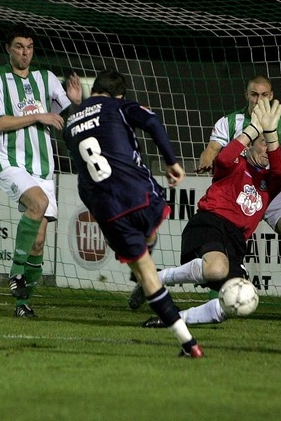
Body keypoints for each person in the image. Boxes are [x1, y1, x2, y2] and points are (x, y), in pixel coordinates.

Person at [64, 69, 202, 356]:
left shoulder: (70, 122)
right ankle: (148, 242)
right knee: (152, 224)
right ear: (120, 95)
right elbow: (151, 120)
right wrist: (171, 161)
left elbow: (84, 171)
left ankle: (189, 345)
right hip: (138, 195)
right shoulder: (118, 105)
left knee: (146, 276)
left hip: (107, 209)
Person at [139, 95, 281, 329]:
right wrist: (253, 129)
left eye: (270, 146)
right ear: (250, 145)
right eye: (262, 143)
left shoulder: (271, 182)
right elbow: (225, 156)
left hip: (236, 240)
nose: (267, 150)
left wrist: (271, 135)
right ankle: (158, 279)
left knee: (239, 300)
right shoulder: (235, 164)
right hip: (210, 223)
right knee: (217, 269)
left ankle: (175, 319)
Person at [192, 74, 281, 315]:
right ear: (246, 96)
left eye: (265, 94)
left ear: (272, 96)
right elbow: (213, 148)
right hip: (238, 190)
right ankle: (210, 298)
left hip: (271, 189)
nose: (259, 99)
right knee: (222, 243)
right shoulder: (230, 122)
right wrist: (207, 158)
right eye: (254, 94)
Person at [0, 24, 81, 317]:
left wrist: (75, 104)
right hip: (10, 161)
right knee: (38, 203)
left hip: (43, 166)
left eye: (29, 47)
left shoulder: (45, 78)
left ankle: (23, 305)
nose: (25, 53)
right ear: (8, 49)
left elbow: (66, 119)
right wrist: (37, 114)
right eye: (19, 47)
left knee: (38, 242)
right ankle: (14, 273)